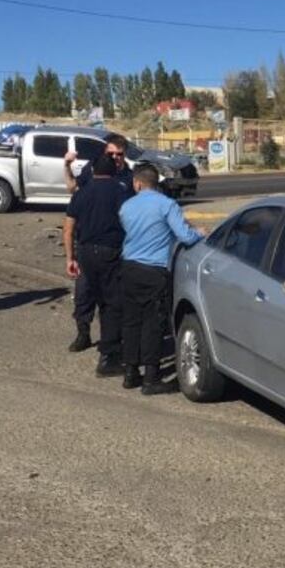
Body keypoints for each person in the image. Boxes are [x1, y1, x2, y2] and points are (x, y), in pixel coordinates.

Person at [119, 163, 203, 395]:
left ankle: (130, 372)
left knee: (131, 322)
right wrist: (199, 233)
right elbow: (185, 236)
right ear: (156, 183)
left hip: (129, 267)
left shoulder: (126, 206)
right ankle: (151, 377)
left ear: (137, 183)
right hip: (153, 271)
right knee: (153, 324)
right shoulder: (167, 205)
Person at [63, 133, 134, 353]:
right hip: (88, 245)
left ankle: (111, 340)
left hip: (116, 247)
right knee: (84, 293)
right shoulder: (94, 170)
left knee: (112, 298)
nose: (115, 158)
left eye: (119, 154)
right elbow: (73, 189)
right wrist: (66, 166)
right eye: (111, 154)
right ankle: (83, 333)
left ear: (125, 155)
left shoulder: (130, 179)